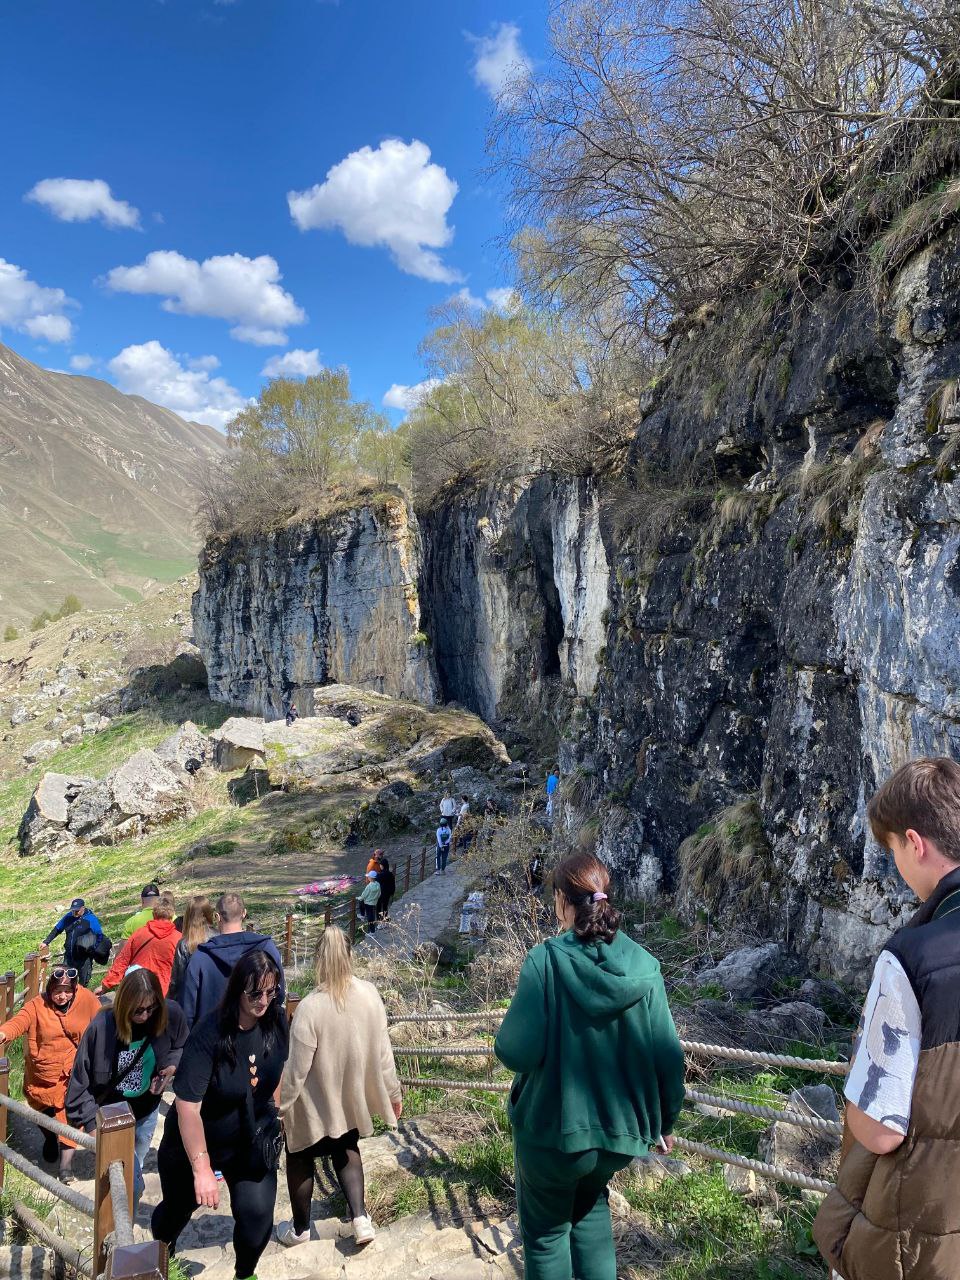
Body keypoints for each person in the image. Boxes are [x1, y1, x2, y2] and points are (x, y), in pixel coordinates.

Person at [495, 852, 685, 1280]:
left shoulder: (545, 961)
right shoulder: (645, 967)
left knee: (546, 1235)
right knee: (589, 1207)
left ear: (563, 901)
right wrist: (666, 1120)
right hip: (618, 1138)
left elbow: (515, 1052)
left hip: (552, 1135)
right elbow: (669, 1058)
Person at [813, 757, 960, 1280]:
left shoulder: (912, 959)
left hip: (924, 1236)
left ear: (915, 843)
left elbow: (880, 1131)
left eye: (893, 848)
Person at [152, 949, 289, 1280]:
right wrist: (201, 1169)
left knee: (257, 1217)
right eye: (255, 993)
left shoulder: (277, 1020)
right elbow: (187, 1106)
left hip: (250, 1139)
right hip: (200, 1137)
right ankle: (160, 1255)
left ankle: (244, 1274)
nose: (264, 1000)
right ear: (238, 989)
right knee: (177, 1208)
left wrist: (278, 1113)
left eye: (271, 992)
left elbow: (278, 1069)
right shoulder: (210, 1033)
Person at [276, 927, 401, 1248]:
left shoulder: (309, 1007)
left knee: (299, 1157)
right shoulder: (370, 994)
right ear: (349, 956)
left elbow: (296, 1069)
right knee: (347, 1150)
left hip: (313, 1106)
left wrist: (282, 1107)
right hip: (349, 1098)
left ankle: (301, 1230)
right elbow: (384, 1051)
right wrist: (393, 1093)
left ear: (319, 959)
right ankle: (360, 1219)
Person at [67, 967, 188, 1199]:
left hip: (146, 1110)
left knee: (135, 1169)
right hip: (111, 1119)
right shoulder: (101, 1028)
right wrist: (93, 1128)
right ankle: (117, 1231)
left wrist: (171, 1066)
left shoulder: (171, 1015)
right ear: (123, 1006)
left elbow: (181, 1045)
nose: (145, 1016)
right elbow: (78, 1086)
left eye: (152, 1008)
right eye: (138, 1011)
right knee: (132, 1188)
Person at [0, 966, 100, 1182]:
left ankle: (65, 1167)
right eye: (57, 991)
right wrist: (3, 1033)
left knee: (67, 1117)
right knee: (39, 1107)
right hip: (41, 1072)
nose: (63, 996)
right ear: (49, 989)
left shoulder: (87, 1000)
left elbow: (102, 1024)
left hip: (71, 1073)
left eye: (67, 990)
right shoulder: (37, 1005)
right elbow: (20, 1021)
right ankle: (48, 1136)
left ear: (74, 988)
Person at [181, 892, 284, 1027]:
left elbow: (188, 1010)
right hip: (256, 1034)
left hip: (211, 1038)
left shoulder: (201, 957)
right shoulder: (267, 949)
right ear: (244, 913)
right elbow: (279, 994)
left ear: (217, 917)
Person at [99, 893, 181, 997]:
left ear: (154, 913)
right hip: (167, 993)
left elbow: (122, 961)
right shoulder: (178, 938)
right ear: (172, 915)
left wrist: (106, 985)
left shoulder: (139, 934)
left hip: (141, 990)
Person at [42, 899, 104, 988]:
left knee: (83, 983)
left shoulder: (91, 919)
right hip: (69, 956)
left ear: (83, 908)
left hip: (84, 958)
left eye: (77, 910)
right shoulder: (68, 917)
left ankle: (81, 999)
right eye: (73, 910)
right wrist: (46, 942)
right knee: (65, 981)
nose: (74, 912)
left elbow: (99, 935)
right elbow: (57, 929)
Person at [169, 895, 217, 1004]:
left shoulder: (184, 944)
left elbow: (177, 981)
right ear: (209, 913)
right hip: (217, 996)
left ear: (188, 915)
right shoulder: (220, 937)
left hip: (191, 1000)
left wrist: (171, 1003)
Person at [377, 857, 396, 922]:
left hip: (381, 893)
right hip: (388, 893)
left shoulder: (380, 875)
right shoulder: (390, 874)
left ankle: (380, 920)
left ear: (382, 865)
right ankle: (386, 919)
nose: (380, 866)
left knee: (379, 907)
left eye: (380, 865)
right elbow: (393, 883)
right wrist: (392, 892)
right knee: (385, 906)